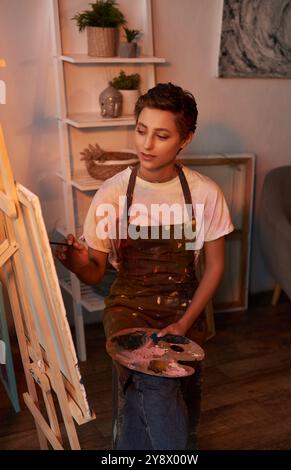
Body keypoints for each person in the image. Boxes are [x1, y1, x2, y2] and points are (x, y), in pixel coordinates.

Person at [54, 82, 234, 450]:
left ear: (185, 139)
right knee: (157, 378)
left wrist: (183, 324)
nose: (146, 145)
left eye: (161, 135)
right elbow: (95, 271)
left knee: (154, 391)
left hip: (184, 309)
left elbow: (215, 267)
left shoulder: (205, 193)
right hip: (127, 307)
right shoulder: (114, 193)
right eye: (141, 130)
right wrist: (76, 263)